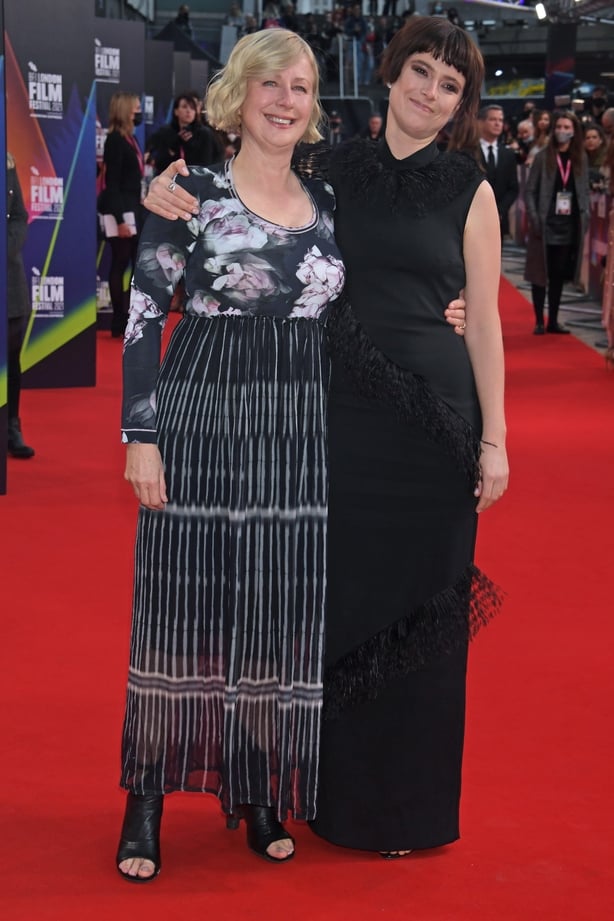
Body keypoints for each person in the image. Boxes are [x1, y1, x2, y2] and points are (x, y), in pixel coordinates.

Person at [146, 16, 507, 861]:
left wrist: (495, 440)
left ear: (460, 104)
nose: (430, 92)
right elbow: (241, 198)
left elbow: (483, 318)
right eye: (420, 71)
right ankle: (332, 800)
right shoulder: (326, 170)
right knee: (334, 612)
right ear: (388, 75)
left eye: (449, 85)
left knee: (424, 614)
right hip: (333, 421)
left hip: (434, 429)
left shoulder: (471, 187)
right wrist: (172, 187)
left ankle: (409, 810)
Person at [524, 110, 589, 336]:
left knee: (559, 273)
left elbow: (583, 192)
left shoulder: (579, 157)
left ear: (574, 131)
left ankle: (553, 320)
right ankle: (539, 320)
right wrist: (534, 218)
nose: (562, 131)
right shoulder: (543, 156)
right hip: (544, 223)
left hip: (568, 225)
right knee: (539, 272)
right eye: (559, 127)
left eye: (566, 128)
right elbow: (530, 190)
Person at [98, 92, 144, 338]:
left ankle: (127, 316)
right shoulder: (115, 140)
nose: (139, 112)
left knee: (132, 263)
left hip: (131, 207)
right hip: (117, 209)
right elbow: (111, 183)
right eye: (136, 108)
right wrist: (118, 220)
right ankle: (118, 320)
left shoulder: (129, 139)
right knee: (120, 262)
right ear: (126, 110)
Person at [6, 153, 35, 459]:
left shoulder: (8, 162)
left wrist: (7, 247)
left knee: (11, 359)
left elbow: (18, 215)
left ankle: (10, 427)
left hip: (9, 279)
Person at [145, 93, 221, 176]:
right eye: (184, 107)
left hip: (195, 181)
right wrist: (174, 147)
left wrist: (190, 145)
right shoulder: (165, 132)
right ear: (176, 111)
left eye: (192, 108)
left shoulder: (204, 133)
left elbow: (206, 164)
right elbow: (159, 163)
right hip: (169, 179)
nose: (188, 111)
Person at [477, 104, 519, 239]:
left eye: (500, 120)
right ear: (481, 122)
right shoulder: (468, 152)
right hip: (473, 218)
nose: (497, 123)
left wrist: (499, 211)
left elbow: (513, 188)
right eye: (493, 119)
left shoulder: (508, 154)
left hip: (499, 219)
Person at [583, 122, 607, 190]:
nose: (591, 140)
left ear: (601, 140)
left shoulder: (607, 156)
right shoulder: (582, 156)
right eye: (587, 138)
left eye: (594, 137)